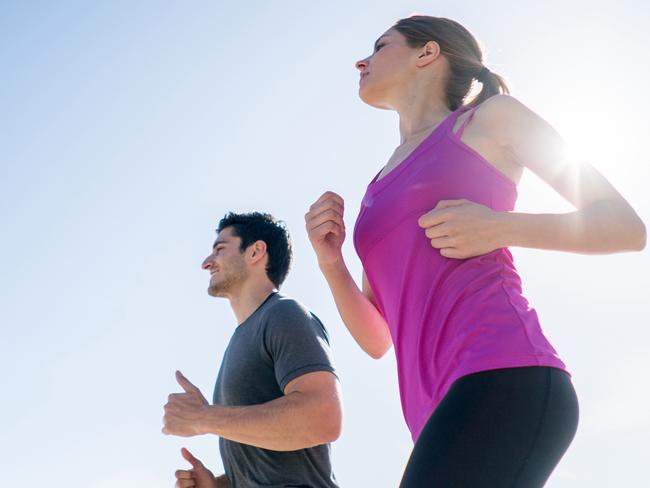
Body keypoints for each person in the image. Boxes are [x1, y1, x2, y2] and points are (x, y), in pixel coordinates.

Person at [304, 15, 646, 488]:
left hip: (506, 370)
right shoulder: (376, 188)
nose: (362, 60)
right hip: (433, 413)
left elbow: (625, 227)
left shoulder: (491, 119)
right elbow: (378, 338)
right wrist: (331, 263)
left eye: (382, 46)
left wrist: (499, 228)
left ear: (428, 54)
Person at [163, 211, 342, 488]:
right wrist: (219, 484)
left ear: (256, 251)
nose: (206, 263)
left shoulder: (284, 314)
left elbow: (323, 418)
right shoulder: (239, 340)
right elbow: (275, 464)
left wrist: (204, 417)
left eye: (220, 249)